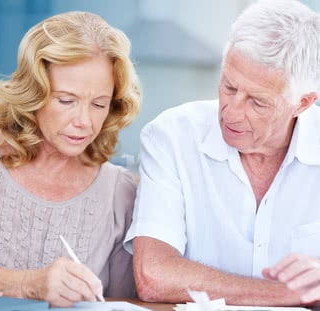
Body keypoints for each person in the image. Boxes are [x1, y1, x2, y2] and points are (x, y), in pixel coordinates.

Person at [0, 11, 141, 307]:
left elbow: (119, 303)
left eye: (99, 104)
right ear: (33, 94)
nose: (85, 121)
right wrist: (29, 284)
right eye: (67, 100)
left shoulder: (120, 193)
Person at [125, 0, 320, 306]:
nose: (231, 113)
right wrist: (293, 294)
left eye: (257, 101)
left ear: (303, 103)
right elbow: (154, 276)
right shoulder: (172, 137)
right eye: (229, 86)